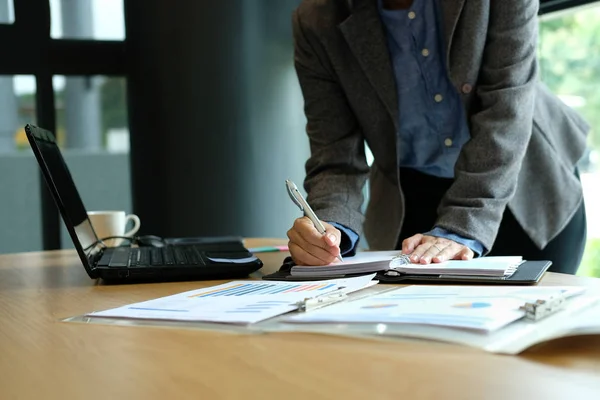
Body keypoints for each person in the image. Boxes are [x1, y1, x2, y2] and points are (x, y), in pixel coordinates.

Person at [286, 0, 590, 274]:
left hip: (527, 185)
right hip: (412, 199)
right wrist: (327, 226)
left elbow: (506, 111)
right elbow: (335, 156)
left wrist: (462, 225)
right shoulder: (316, 21)